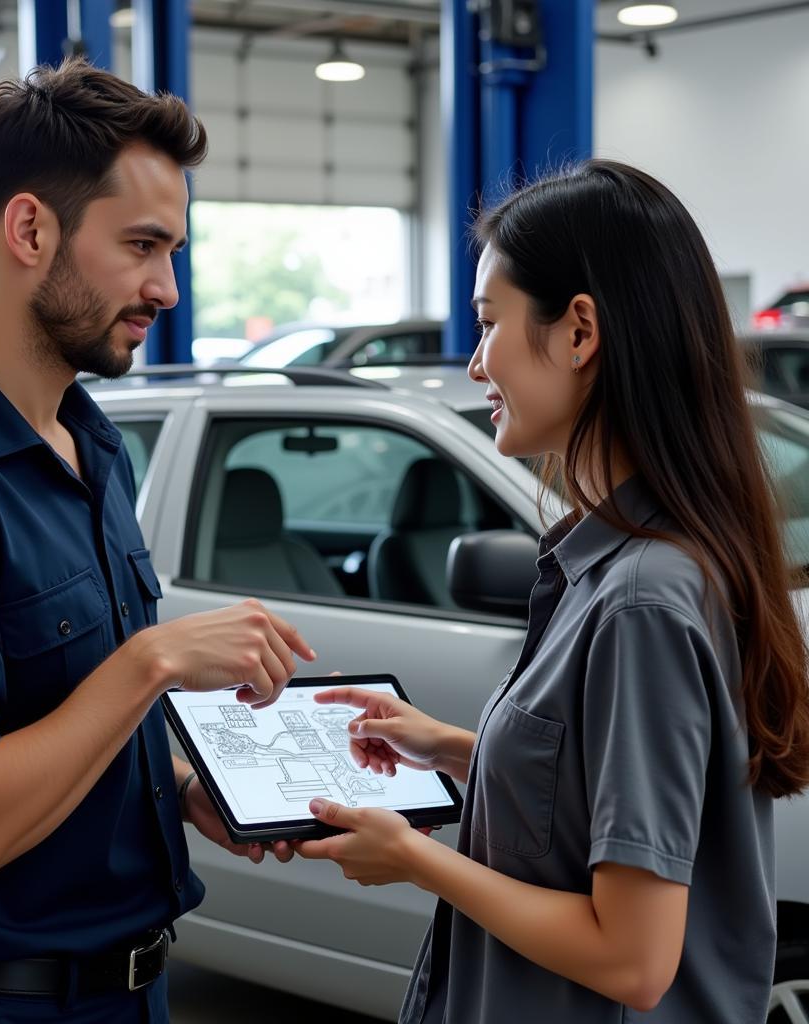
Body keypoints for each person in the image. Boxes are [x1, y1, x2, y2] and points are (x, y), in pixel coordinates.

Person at [0, 58, 315, 1024]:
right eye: (143, 246)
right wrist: (151, 662)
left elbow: (52, 720)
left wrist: (185, 785)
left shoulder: (89, 440)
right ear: (29, 228)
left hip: (129, 992)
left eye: (176, 251)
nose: (166, 288)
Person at [296, 160, 809, 1022]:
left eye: (489, 323)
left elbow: (632, 958)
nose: (475, 361)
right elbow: (597, 791)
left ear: (579, 332)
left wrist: (414, 858)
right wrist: (455, 747)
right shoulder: (621, 563)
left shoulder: (642, 599)